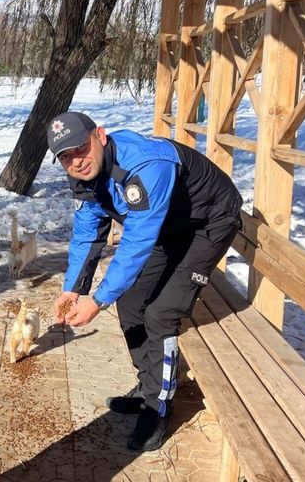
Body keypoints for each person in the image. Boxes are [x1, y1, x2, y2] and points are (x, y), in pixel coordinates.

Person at [48, 111, 242, 452]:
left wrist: (97, 300)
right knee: (132, 302)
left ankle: (159, 407)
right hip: (168, 226)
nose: (75, 162)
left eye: (80, 148)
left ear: (101, 136)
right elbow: (88, 230)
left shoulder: (145, 165)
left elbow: (138, 241)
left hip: (210, 223)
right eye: (65, 157)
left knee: (161, 314)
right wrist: (73, 288)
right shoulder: (85, 176)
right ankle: (147, 386)